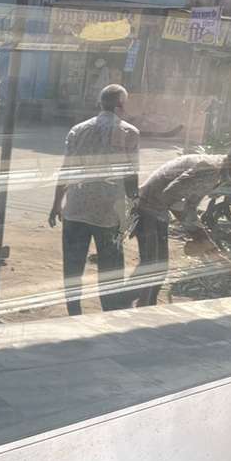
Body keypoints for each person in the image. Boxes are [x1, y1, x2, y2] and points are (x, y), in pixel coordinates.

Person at [129, 140, 231, 307]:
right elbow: (169, 196)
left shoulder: (216, 170)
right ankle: (143, 307)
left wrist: (202, 236)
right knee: (156, 267)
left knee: (155, 266)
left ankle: (141, 303)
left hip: (155, 209)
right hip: (148, 209)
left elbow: (189, 205)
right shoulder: (210, 170)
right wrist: (198, 235)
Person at [49, 84, 140, 316]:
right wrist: (133, 208)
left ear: (100, 103)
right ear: (121, 105)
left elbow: (66, 170)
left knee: (73, 266)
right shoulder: (130, 132)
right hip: (109, 214)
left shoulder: (78, 130)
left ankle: (74, 314)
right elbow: (131, 176)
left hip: (76, 209)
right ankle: (110, 313)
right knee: (111, 268)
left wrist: (56, 204)